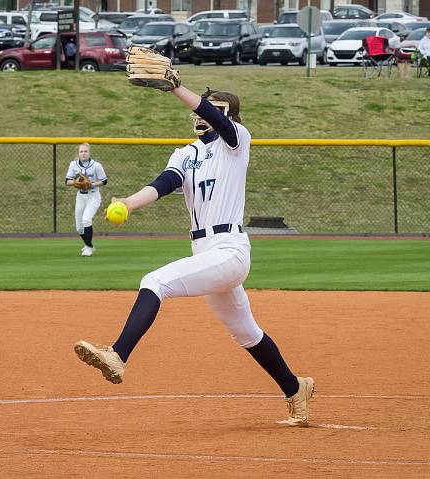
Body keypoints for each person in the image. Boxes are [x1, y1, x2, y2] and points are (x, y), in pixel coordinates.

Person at [73, 84, 315, 426]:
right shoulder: (185, 154)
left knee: (155, 281)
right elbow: (164, 184)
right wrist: (128, 202)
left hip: (230, 249)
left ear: (226, 114)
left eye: (211, 109)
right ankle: (295, 388)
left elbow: (217, 118)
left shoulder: (237, 141)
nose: (202, 114)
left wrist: (175, 87)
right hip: (205, 251)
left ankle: (118, 354)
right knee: (246, 332)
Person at [65, 143, 107, 257]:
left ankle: (88, 248)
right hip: (81, 196)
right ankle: (89, 244)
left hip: (93, 196)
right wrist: (75, 182)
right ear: (78, 154)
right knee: (79, 227)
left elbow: (104, 181)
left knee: (86, 220)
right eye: (81, 152)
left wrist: (92, 184)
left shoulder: (96, 165)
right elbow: (67, 181)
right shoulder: (73, 165)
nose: (83, 153)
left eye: (85, 151)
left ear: (89, 153)